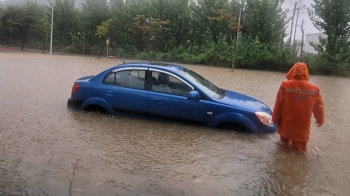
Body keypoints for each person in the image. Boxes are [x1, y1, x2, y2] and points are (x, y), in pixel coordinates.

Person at [272, 62, 325, 152]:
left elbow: (278, 104)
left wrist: (275, 119)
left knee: (282, 147)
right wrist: (320, 119)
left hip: (286, 123)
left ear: (292, 71)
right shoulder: (314, 88)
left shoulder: (285, 85)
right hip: (302, 127)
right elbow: (319, 107)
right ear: (306, 73)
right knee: (299, 152)